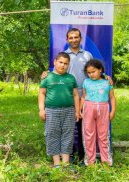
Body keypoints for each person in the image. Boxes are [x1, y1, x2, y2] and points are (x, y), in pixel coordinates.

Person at [42, 28, 94, 162]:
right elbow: (55, 74)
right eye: (71, 38)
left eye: (76, 37)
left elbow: (93, 71)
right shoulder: (64, 55)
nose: (73, 40)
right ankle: (68, 156)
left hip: (85, 97)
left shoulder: (87, 55)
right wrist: (45, 73)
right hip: (67, 98)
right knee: (66, 130)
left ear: (80, 39)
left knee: (83, 128)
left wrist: (105, 76)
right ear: (67, 40)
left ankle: (83, 157)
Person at [38, 52, 80, 168]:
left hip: (69, 111)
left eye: (66, 63)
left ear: (68, 65)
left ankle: (66, 163)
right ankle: (56, 162)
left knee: (68, 135)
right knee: (52, 134)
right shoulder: (47, 77)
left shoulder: (71, 78)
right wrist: (41, 110)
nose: (63, 65)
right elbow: (41, 94)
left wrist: (77, 111)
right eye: (60, 62)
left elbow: (76, 95)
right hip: (51, 111)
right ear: (55, 62)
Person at [80, 59, 116, 167]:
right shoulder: (86, 82)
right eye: (89, 73)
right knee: (89, 135)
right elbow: (83, 97)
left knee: (103, 135)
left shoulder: (107, 82)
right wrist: (79, 110)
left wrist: (113, 110)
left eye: (93, 71)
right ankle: (90, 161)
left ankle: (106, 161)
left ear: (100, 70)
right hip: (88, 109)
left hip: (103, 109)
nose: (91, 74)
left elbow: (112, 97)